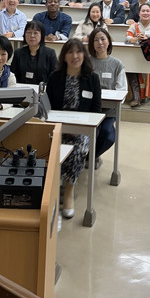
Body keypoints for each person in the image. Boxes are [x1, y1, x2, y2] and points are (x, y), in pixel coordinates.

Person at [46, 39, 104, 219]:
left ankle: (69, 191)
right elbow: (48, 107)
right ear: (64, 56)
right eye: (70, 52)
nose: (75, 56)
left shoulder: (91, 78)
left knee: (77, 150)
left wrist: (79, 127)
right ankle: (51, 191)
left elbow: (96, 109)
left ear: (84, 55)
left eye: (78, 52)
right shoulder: (55, 78)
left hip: (82, 129)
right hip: (58, 126)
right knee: (50, 147)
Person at [124, 5, 150, 107]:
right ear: (139, 13)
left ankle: (147, 95)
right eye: (143, 11)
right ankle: (136, 97)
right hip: (135, 56)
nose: (145, 13)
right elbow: (127, 37)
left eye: (147, 11)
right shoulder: (134, 26)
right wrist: (136, 39)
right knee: (129, 66)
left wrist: (147, 39)